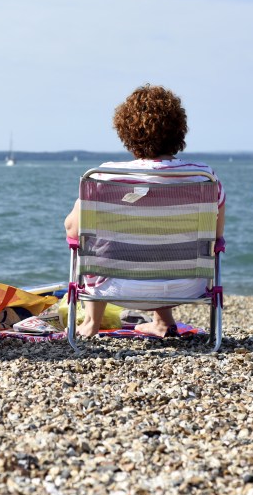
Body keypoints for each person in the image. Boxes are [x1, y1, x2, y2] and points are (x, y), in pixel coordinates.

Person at [64, 83, 226, 338]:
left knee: (85, 239)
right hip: (187, 285)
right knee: (163, 240)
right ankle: (163, 321)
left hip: (116, 286)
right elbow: (216, 238)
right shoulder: (203, 177)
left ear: (126, 133)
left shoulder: (104, 177)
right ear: (179, 131)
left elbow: (73, 231)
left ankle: (91, 322)